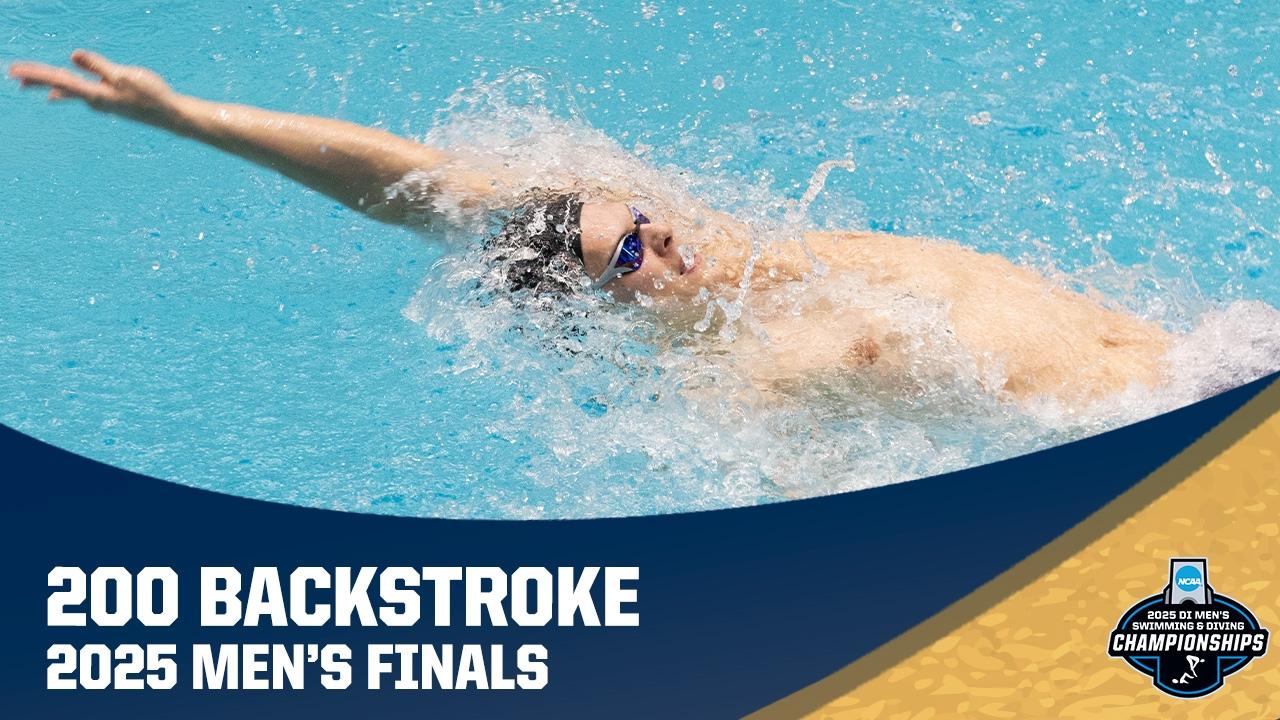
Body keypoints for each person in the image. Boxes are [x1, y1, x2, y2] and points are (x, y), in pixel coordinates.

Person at [9, 50, 1171, 404]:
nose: (664, 244)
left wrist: (188, 115)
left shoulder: (731, 243)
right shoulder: (746, 385)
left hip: (1200, 347)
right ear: (596, 310)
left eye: (646, 224)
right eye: (628, 257)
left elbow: (420, 180)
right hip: (1140, 428)